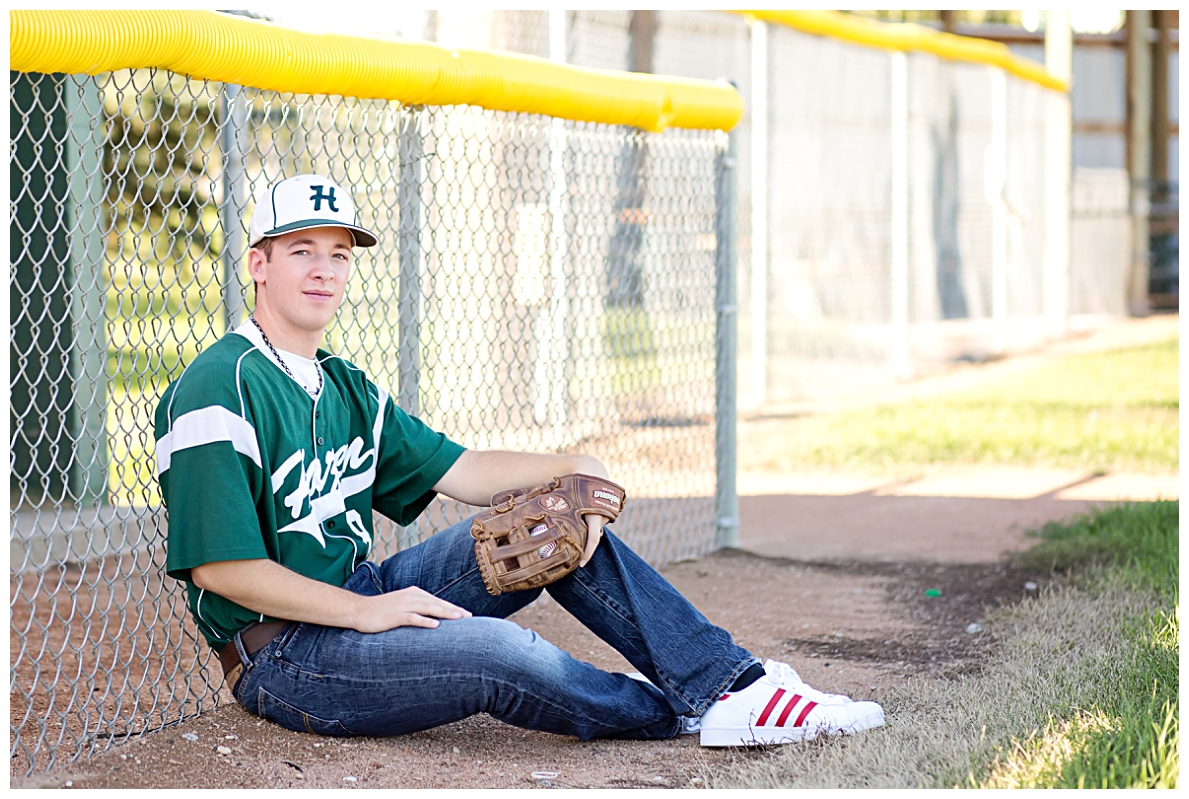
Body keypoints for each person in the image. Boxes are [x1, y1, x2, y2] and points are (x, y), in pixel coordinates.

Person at [154, 173, 885, 747]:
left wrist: (574, 464)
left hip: (361, 595)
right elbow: (224, 571)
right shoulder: (219, 387)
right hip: (285, 657)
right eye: (301, 250)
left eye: (338, 253)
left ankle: (732, 686)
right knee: (500, 653)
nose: (324, 269)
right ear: (259, 263)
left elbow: (462, 470)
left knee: (547, 522)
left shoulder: (342, 382)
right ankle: (675, 709)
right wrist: (366, 611)